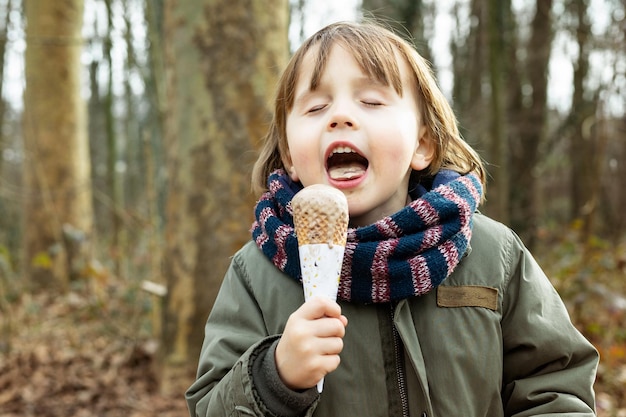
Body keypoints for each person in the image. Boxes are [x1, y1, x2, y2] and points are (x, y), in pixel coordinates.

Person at [185, 21, 598, 417]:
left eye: (371, 102)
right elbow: (209, 406)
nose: (340, 116)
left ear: (423, 143)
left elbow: (555, 385)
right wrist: (275, 376)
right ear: (290, 155)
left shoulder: (494, 254)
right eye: (315, 107)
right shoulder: (256, 273)